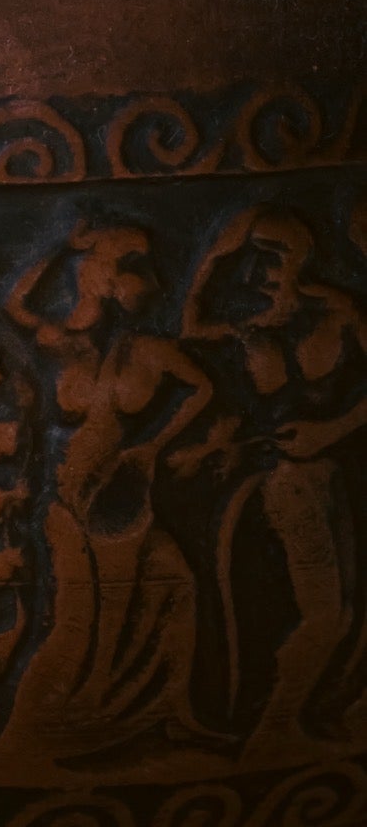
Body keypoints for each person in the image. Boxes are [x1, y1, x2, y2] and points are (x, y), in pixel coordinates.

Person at [4, 224, 213, 753]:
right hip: (66, 492)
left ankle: (156, 710)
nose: (141, 281)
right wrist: (60, 246)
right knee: (81, 610)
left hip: (117, 487)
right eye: (126, 267)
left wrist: (153, 446)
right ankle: (55, 721)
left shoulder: (148, 350)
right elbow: (15, 305)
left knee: (168, 584)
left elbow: (204, 389)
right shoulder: (61, 342)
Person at [182, 207, 367, 742]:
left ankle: (294, 721)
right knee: (324, 616)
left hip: (330, 475)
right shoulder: (248, 328)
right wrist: (212, 258)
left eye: (273, 257)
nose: (258, 270)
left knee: (346, 614)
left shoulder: (337, 312)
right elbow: (190, 328)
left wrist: (332, 431)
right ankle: (276, 725)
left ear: (301, 258)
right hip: (288, 484)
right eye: (250, 257)